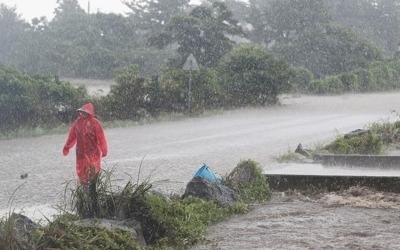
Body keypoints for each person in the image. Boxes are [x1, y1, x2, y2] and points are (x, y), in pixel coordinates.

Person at [62, 102, 108, 185]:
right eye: (81, 112)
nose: (82, 114)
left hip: (93, 153)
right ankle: (84, 192)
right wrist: (67, 147)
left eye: (84, 112)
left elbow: (101, 138)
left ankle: (93, 191)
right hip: (81, 154)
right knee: (82, 175)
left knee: (93, 173)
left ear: (89, 113)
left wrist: (104, 150)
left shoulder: (95, 123)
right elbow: (71, 136)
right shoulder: (77, 123)